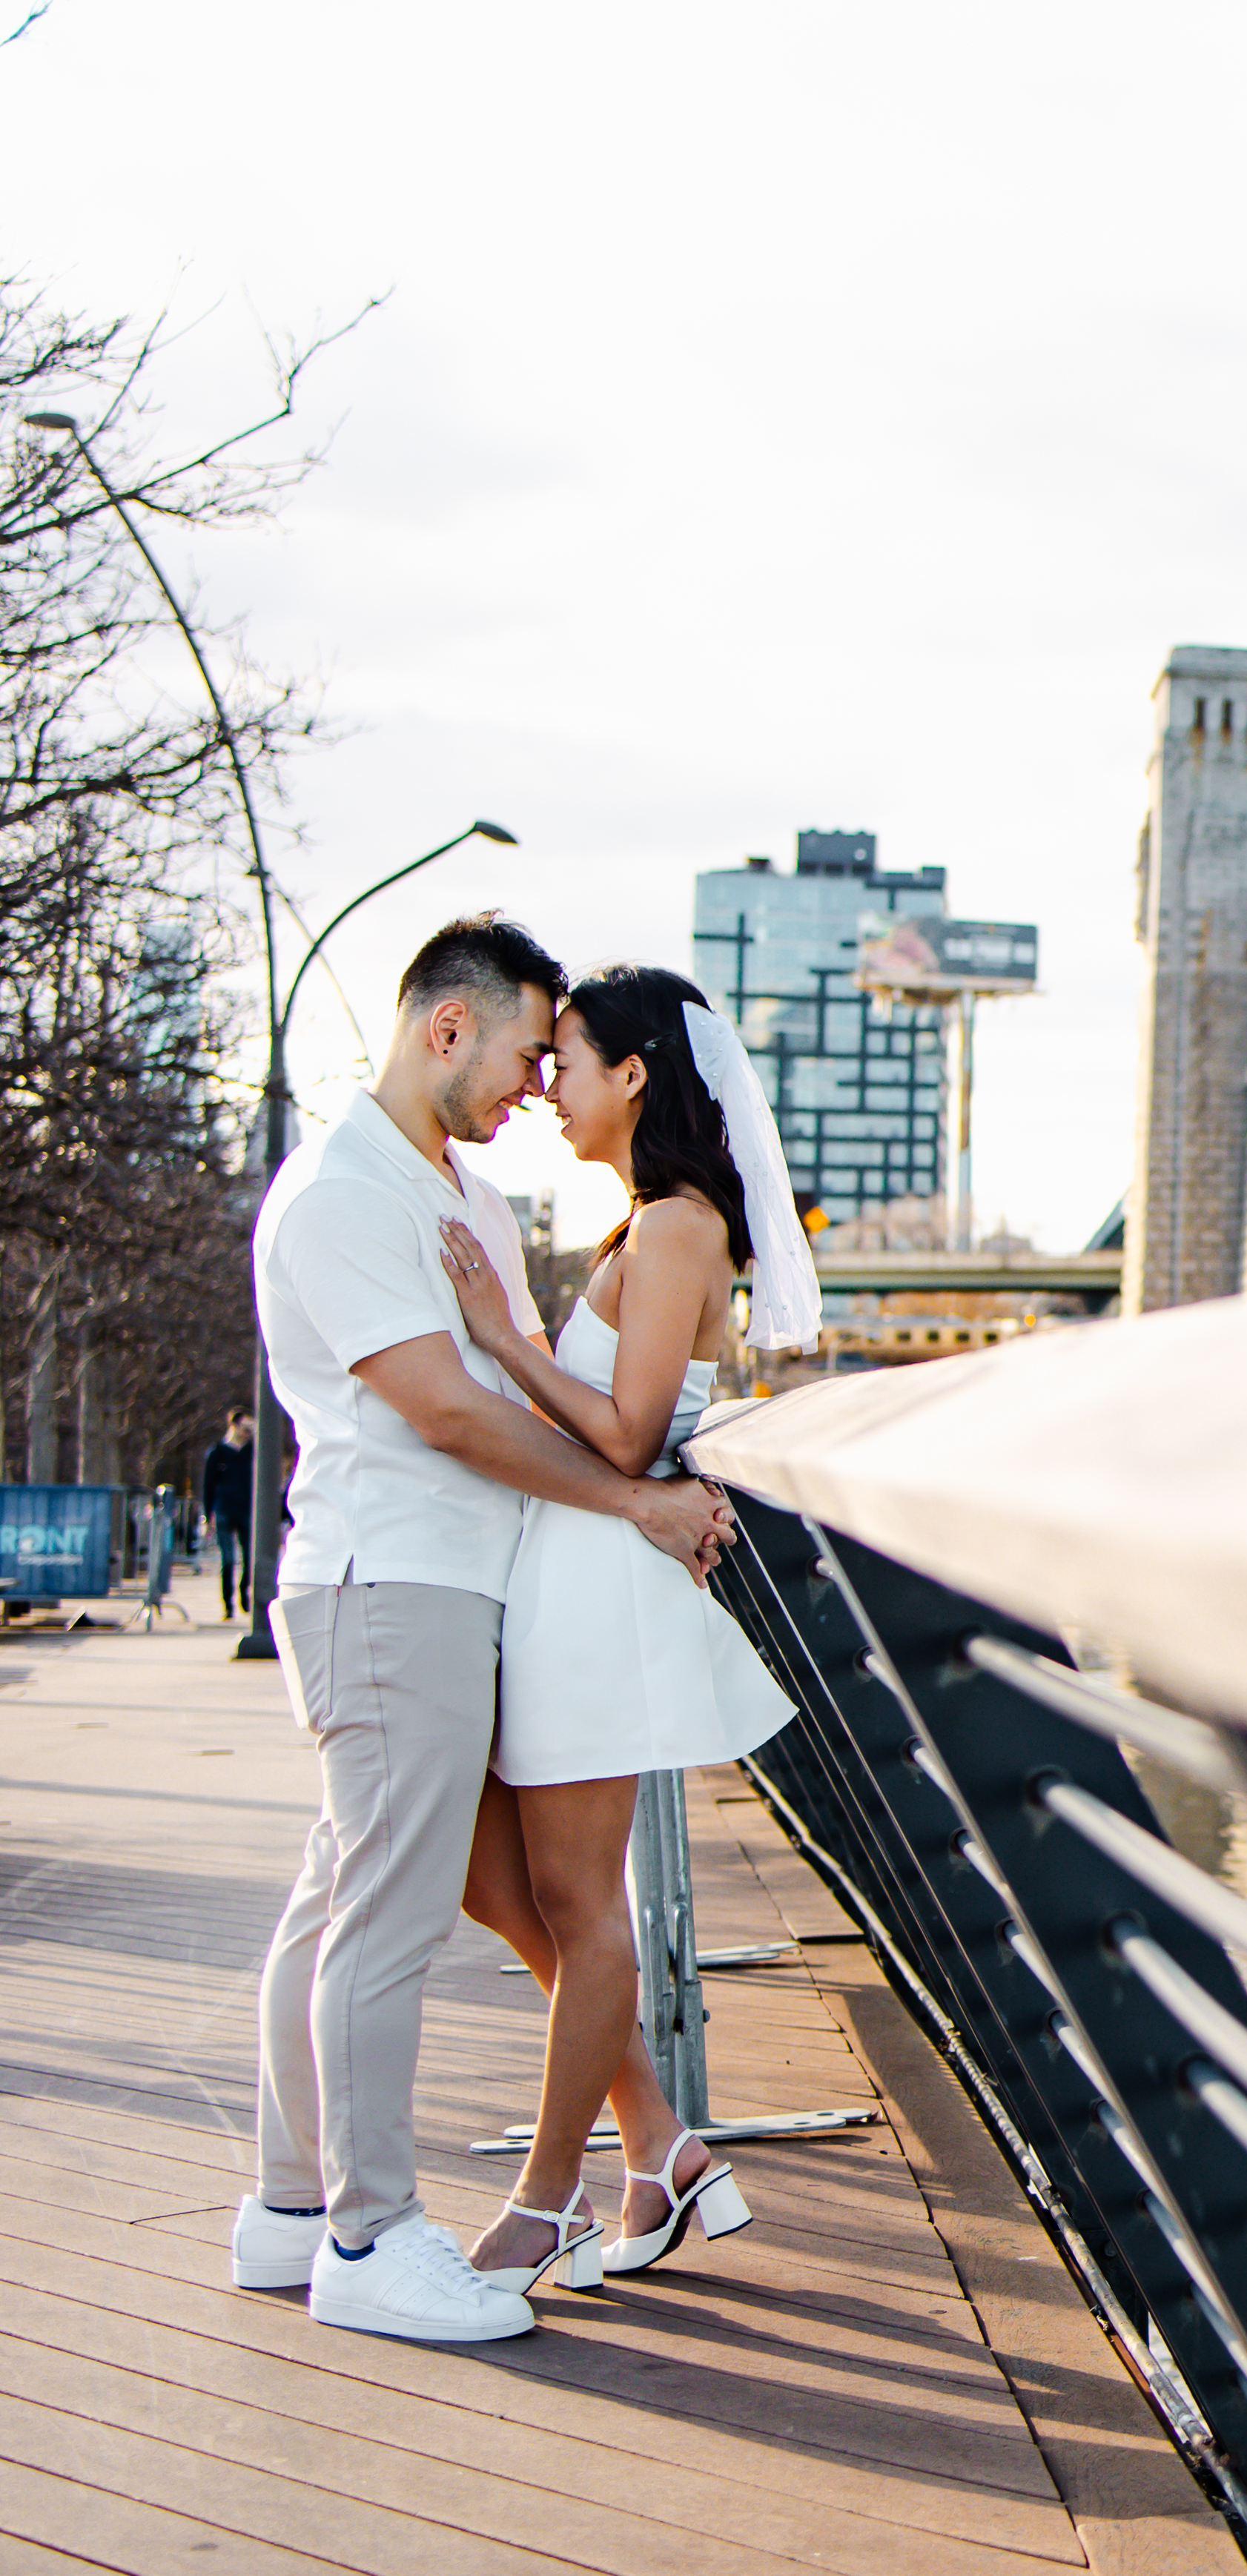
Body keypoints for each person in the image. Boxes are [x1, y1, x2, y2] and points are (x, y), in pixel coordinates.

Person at [236, 916, 735, 2345]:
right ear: (445, 1029)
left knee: (338, 1901)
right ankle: (369, 2235)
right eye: (527, 1047)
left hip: (444, 1588)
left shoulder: (440, 1191)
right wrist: (637, 1508)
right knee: (380, 1921)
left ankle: (287, 2212)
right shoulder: (343, 1196)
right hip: (393, 1589)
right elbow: (451, 1414)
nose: (535, 1079)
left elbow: (509, 1395)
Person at [433, 964, 818, 2297]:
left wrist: (502, 1332)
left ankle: (549, 2200)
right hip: (568, 1567)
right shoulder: (641, 1229)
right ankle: (658, 2142)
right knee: (498, 1882)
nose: (548, 1086)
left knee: (579, 1905)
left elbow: (629, 1433)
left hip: (603, 1580)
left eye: (570, 1060)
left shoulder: (678, 1227)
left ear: (635, 1075)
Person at [198, 1407, 254, 1616]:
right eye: (245, 1427)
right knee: (228, 1559)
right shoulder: (217, 1453)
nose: (248, 1432)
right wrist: (207, 1515)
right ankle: (228, 1604)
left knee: (250, 1558)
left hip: (247, 1510)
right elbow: (208, 1485)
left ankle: (245, 1592)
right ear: (233, 1426)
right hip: (223, 1510)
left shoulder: (252, 1452)